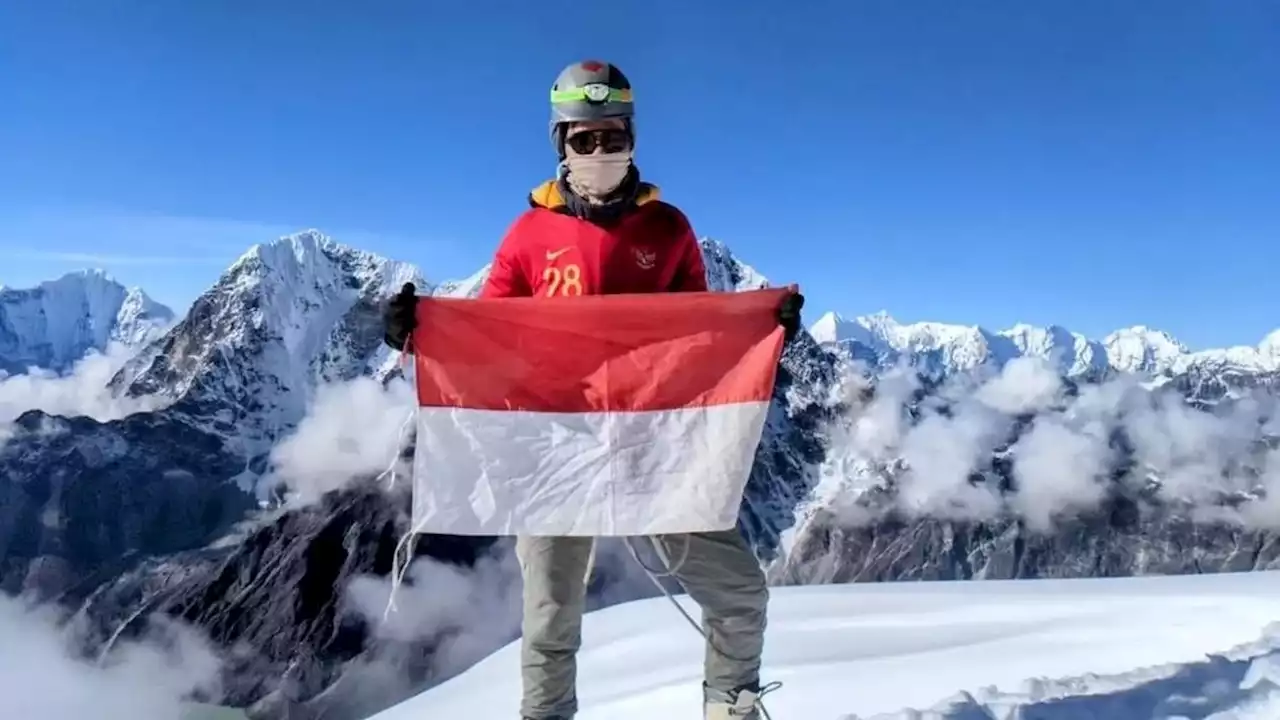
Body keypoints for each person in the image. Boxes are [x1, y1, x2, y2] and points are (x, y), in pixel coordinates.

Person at [383, 59, 803, 720]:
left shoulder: (668, 230)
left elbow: (696, 333)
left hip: (653, 444)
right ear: (561, 145)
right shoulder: (527, 237)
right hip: (555, 446)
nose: (600, 150)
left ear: (632, 137)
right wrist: (420, 333)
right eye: (584, 139)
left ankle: (731, 703)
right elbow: (494, 336)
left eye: (612, 136)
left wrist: (763, 333)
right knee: (551, 619)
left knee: (738, 591)